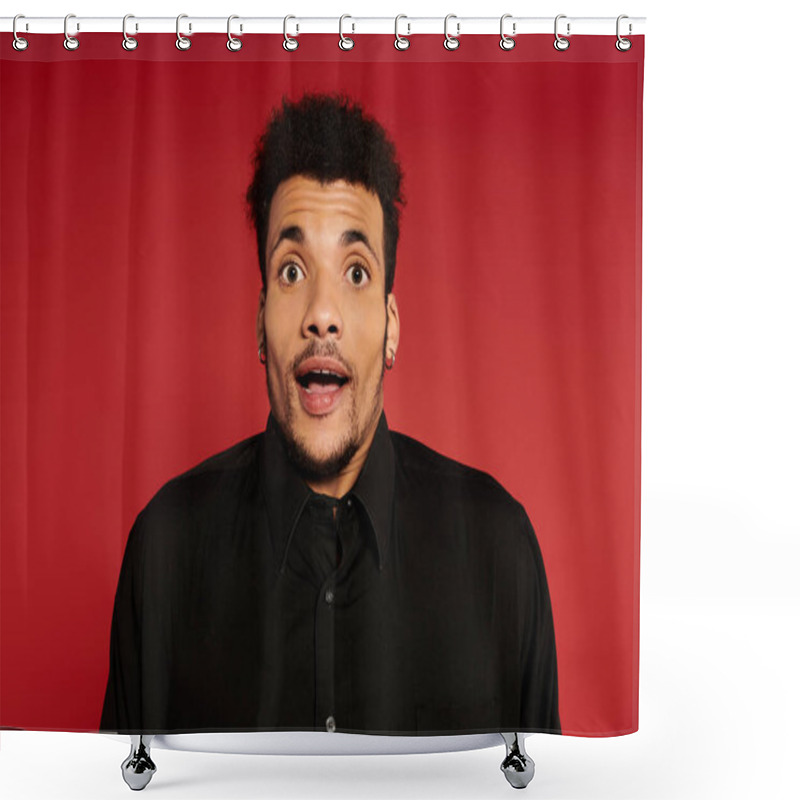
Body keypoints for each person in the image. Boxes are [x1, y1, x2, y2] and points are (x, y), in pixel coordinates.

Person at [100, 92, 560, 736]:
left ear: (391, 329)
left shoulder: (498, 551)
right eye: (292, 271)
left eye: (355, 271)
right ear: (261, 325)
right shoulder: (165, 551)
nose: (322, 311)